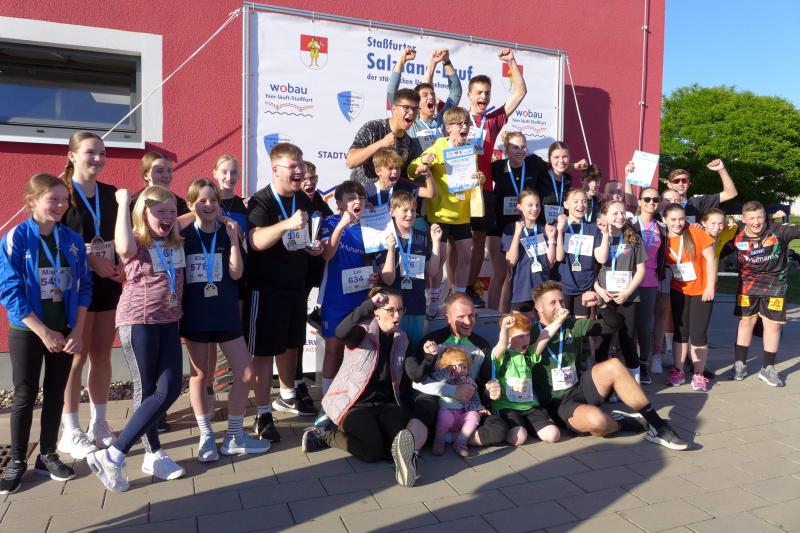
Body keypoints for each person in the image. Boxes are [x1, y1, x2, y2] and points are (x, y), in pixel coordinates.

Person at [86, 186, 187, 493]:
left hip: (169, 321)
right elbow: (123, 247)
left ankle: (115, 454)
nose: (167, 217)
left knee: (170, 388)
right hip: (139, 320)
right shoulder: (136, 238)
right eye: (160, 211)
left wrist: (216, 212)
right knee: (147, 391)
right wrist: (123, 203)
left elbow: (192, 216)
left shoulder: (174, 239)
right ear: (143, 213)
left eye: (171, 211)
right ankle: (147, 453)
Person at [0, 173, 92, 495]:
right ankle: (16, 461)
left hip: (64, 331)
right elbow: (8, 289)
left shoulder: (73, 240)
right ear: (32, 201)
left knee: (55, 393)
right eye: (53, 199)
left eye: (64, 200)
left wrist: (77, 330)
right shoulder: (16, 238)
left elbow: (84, 287)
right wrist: (43, 332)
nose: (61, 205)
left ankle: (47, 454)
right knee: (25, 395)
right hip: (28, 330)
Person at [531, 281, 689, 450]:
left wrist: (601, 304)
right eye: (553, 303)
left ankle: (658, 426)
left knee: (614, 365)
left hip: (579, 387)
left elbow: (613, 325)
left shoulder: (570, 325)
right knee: (600, 422)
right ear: (539, 307)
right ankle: (624, 423)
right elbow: (531, 355)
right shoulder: (530, 334)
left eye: (561, 301)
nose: (560, 306)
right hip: (559, 403)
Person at [301, 288, 429, 488]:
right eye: (391, 310)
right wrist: (367, 305)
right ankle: (326, 435)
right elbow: (340, 332)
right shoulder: (362, 333)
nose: (397, 315)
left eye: (400, 310)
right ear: (376, 311)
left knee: (397, 445)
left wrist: (429, 358)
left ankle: (403, 463)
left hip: (385, 404)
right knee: (372, 452)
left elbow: (415, 374)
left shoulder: (403, 338)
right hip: (353, 404)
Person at [180, 179, 269, 462]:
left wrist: (232, 238)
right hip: (195, 315)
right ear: (190, 204)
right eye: (202, 201)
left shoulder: (228, 231)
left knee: (245, 373)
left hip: (225, 313)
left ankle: (234, 435)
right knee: (200, 375)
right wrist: (209, 215)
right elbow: (168, 225)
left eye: (214, 201)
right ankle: (206, 435)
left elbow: (236, 273)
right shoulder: (183, 234)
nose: (209, 205)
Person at [244, 143, 321, 444]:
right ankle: (263, 414)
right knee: (264, 353)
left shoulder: (302, 198)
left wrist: (313, 247)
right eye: (293, 166)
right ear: (276, 169)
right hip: (266, 289)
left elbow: (304, 236)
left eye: (301, 164)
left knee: (291, 346)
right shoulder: (261, 201)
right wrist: (286, 225)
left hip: (295, 286)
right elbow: (255, 241)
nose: (299, 170)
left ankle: (287, 395)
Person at [58, 132, 120, 460]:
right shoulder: (61, 193)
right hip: (72, 285)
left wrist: (121, 265)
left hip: (107, 282)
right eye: (90, 152)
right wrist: (90, 259)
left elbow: (121, 235)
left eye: (102, 153)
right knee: (76, 357)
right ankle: (70, 430)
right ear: (72, 156)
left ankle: (99, 423)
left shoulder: (110, 194)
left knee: (102, 354)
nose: (97, 158)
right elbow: (52, 238)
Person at [465, 49, 528, 308]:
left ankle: (469, 288)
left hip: (484, 189)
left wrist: (511, 62)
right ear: (469, 95)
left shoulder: (491, 121)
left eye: (487, 93)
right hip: (459, 188)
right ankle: (453, 290)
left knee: (478, 240)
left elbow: (520, 92)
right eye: (478, 92)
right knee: (455, 243)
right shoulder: (458, 119)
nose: (483, 97)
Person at [412, 293, 509, 448]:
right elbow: (418, 381)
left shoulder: (482, 345)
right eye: (461, 317)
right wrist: (452, 391)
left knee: (499, 428)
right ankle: (453, 437)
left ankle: (446, 438)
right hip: (440, 405)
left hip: (467, 408)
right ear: (448, 318)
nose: (468, 321)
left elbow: (485, 382)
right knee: (424, 406)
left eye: (471, 315)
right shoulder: (431, 342)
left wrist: (491, 390)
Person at [408, 106, 483, 305]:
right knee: (438, 258)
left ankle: (459, 297)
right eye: (459, 124)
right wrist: (423, 161)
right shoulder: (439, 146)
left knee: (466, 257)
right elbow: (412, 169)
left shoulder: (471, 150)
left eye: (466, 123)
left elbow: (473, 179)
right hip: (439, 213)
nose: (464, 127)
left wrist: (480, 178)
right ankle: (432, 299)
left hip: (462, 214)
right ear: (448, 128)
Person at [731, 201, 800, 387]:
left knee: (773, 327)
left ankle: (767, 369)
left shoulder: (778, 230)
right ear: (744, 219)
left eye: (760, 217)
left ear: (765, 217)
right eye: (751, 218)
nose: (756, 222)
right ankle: (739, 365)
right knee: (745, 323)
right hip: (747, 286)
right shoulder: (736, 233)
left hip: (775, 286)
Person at [318, 181, 376, 400]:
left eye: (360, 198)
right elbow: (327, 254)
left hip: (360, 299)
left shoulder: (369, 227)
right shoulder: (330, 222)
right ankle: (327, 401)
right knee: (333, 350)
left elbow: (371, 261)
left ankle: (351, 399)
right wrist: (341, 225)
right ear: (339, 204)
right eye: (351, 198)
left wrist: (375, 274)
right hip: (335, 298)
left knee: (356, 352)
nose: (357, 201)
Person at [376, 190, 442, 347]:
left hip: (416, 305)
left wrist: (436, 242)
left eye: (413, 210)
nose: (410, 215)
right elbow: (388, 279)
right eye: (404, 210)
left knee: (413, 350)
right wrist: (391, 250)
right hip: (392, 309)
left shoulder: (421, 236)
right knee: (392, 352)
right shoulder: (385, 237)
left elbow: (433, 271)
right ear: (392, 212)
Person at [488, 132, 546, 310]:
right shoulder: (497, 167)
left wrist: (576, 166)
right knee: (501, 273)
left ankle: (509, 313)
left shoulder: (534, 163)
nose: (520, 150)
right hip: (500, 227)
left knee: (517, 274)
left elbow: (555, 166)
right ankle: (493, 314)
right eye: (515, 147)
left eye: (523, 146)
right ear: (506, 150)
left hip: (525, 227)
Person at [663, 203, 716, 391]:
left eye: (681, 219)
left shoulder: (694, 232)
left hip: (702, 290)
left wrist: (710, 286)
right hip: (679, 289)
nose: (677, 223)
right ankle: (678, 371)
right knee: (680, 332)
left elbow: (711, 258)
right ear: (665, 220)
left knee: (698, 332)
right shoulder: (663, 238)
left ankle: (699, 374)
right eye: (673, 219)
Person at [594, 201, 648, 382]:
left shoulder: (634, 238)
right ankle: (601, 381)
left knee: (628, 338)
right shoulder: (598, 236)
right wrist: (599, 290)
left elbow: (641, 270)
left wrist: (627, 292)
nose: (620, 217)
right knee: (604, 338)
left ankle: (634, 380)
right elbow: (595, 266)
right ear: (604, 216)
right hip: (605, 297)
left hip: (628, 296)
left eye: (623, 213)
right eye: (615, 213)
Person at [491, 313, 560, 446]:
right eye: (520, 336)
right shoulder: (501, 355)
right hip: (507, 407)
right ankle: (516, 427)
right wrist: (504, 328)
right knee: (518, 438)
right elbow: (502, 344)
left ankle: (527, 425)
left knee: (553, 435)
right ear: (509, 338)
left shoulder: (530, 355)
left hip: (530, 407)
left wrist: (559, 320)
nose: (526, 340)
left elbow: (544, 337)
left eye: (527, 335)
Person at [299, 161, 333, 404]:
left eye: (313, 178)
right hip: (298, 273)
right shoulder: (293, 202)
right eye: (305, 179)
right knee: (296, 335)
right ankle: (297, 381)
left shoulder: (320, 202)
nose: (309, 183)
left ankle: (318, 314)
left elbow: (331, 224)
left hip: (318, 270)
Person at [386, 47, 463, 150]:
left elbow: (456, 92)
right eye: (425, 95)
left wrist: (446, 62)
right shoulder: (411, 123)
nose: (431, 97)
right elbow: (391, 92)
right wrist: (402, 60)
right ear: (417, 103)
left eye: (432, 94)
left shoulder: (442, 119)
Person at [628, 187, 667, 383]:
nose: (652, 202)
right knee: (629, 328)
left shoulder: (662, 227)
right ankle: (630, 366)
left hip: (650, 282)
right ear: (639, 201)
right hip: (628, 282)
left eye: (655, 199)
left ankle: (642, 367)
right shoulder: (630, 224)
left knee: (644, 327)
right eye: (647, 199)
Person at [346, 88, 423, 185]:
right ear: (394, 109)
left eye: (415, 109)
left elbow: (404, 180)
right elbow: (351, 162)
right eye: (406, 107)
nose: (411, 112)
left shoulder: (410, 144)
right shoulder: (373, 128)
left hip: (388, 195)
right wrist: (381, 143)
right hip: (362, 193)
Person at [554, 189, 610, 319]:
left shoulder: (593, 228)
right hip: (562, 285)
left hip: (584, 286)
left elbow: (601, 259)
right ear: (566, 204)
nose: (580, 205)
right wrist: (560, 231)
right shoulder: (559, 227)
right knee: (563, 324)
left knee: (580, 327)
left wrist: (606, 233)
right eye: (576, 201)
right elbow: (559, 257)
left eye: (584, 201)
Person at [503, 190, 558, 314]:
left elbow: (549, 264)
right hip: (521, 290)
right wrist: (517, 234)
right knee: (521, 325)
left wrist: (551, 238)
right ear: (519, 207)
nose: (534, 209)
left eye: (537, 205)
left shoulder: (544, 229)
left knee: (545, 326)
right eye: (530, 205)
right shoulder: (511, 229)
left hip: (543, 290)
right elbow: (510, 262)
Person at [429, 347, 485, 456]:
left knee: (474, 416)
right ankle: (439, 441)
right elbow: (434, 378)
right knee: (444, 418)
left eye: (465, 367)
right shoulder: (444, 378)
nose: (462, 369)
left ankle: (461, 441)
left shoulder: (469, 381)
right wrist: (449, 371)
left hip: (463, 414)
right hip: (447, 411)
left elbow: (474, 396)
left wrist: (479, 408)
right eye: (456, 367)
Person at [666, 159, 737, 223]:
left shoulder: (697, 202)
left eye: (684, 181)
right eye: (676, 181)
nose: (681, 184)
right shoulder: (662, 203)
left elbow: (730, 193)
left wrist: (721, 170)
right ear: (669, 184)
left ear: (689, 184)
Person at [535, 142, 588, 225]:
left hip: (562, 227)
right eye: (556, 157)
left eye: (564, 157)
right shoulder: (541, 177)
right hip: (541, 227)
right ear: (550, 158)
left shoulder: (567, 179)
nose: (561, 161)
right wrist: (574, 165)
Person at [364, 148, 435, 208]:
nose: (395, 171)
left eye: (397, 168)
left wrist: (428, 175)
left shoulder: (403, 185)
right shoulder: (367, 191)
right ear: (378, 171)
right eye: (390, 168)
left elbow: (430, 194)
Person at [131, 152, 190, 216]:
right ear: (146, 175)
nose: (166, 175)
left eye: (169, 171)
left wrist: (179, 221)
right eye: (160, 171)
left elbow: (193, 214)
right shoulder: (135, 203)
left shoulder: (179, 203)